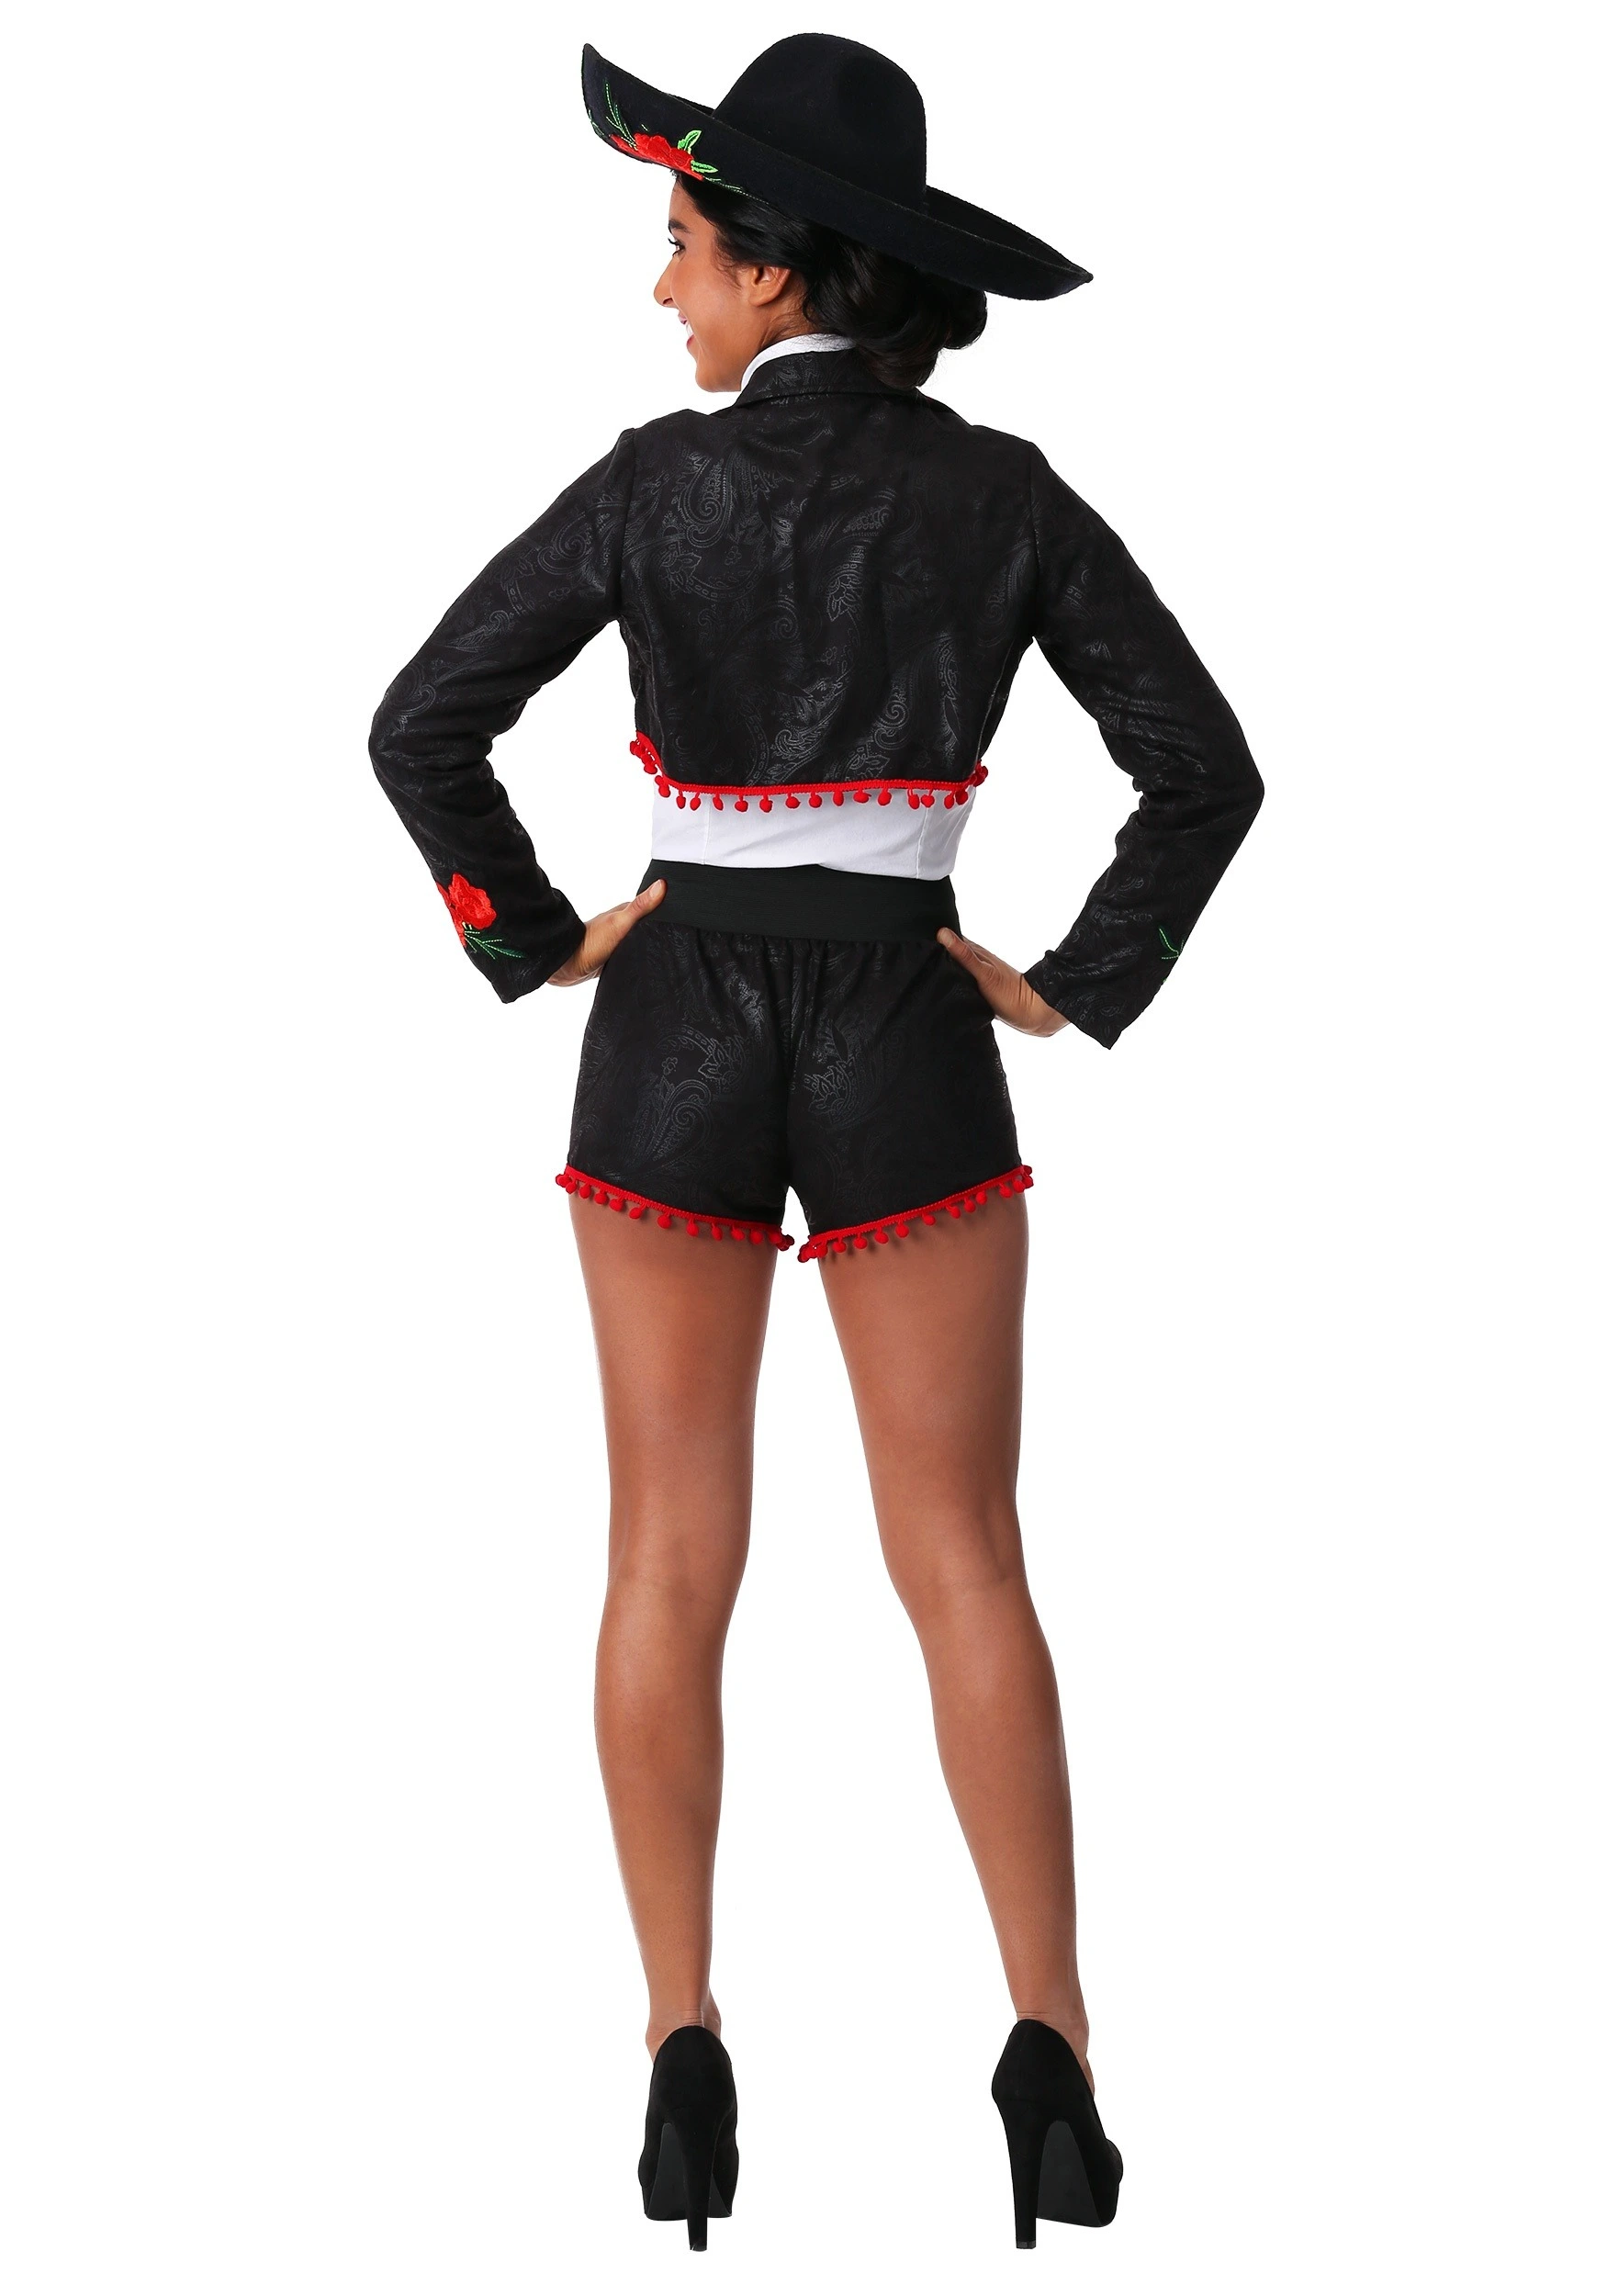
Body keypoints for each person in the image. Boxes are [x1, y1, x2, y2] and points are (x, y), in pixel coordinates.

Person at [370, 33, 1263, 2252]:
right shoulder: (1005, 496)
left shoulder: (645, 486)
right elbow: (1204, 767)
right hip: (901, 1024)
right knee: (963, 1554)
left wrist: (531, 937)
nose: (658, 285)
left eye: (679, 243)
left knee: (667, 1556)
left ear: (774, 272)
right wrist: (1070, 979)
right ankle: (1049, 2054)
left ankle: (679, 2048)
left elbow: (419, 721)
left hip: (671, 1022)